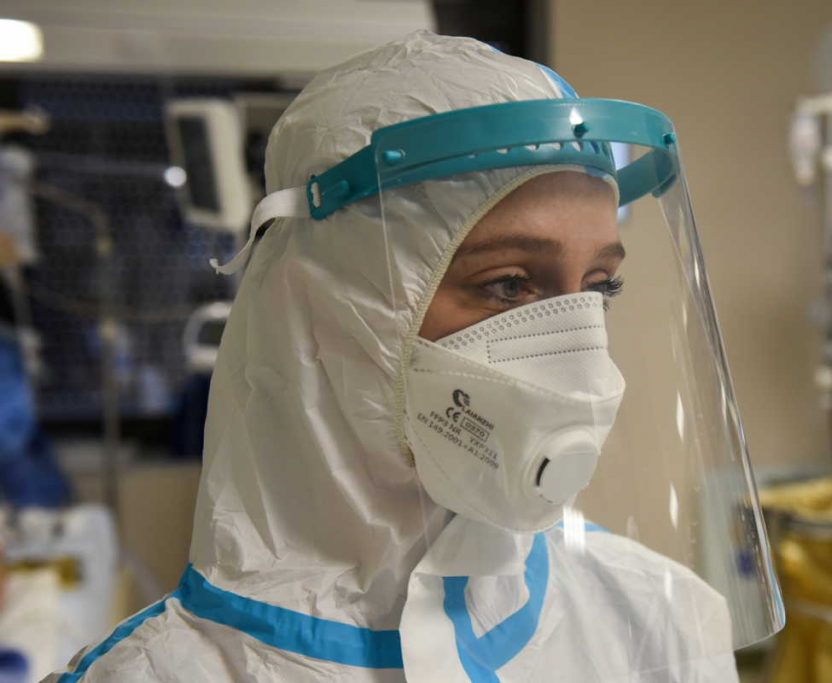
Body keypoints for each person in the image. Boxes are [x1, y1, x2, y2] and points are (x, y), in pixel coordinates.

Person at [47, 31, 782, 682]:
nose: (582, 367)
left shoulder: (659, 619)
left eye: (598, 287)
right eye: (507, 284)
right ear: (324, 305)